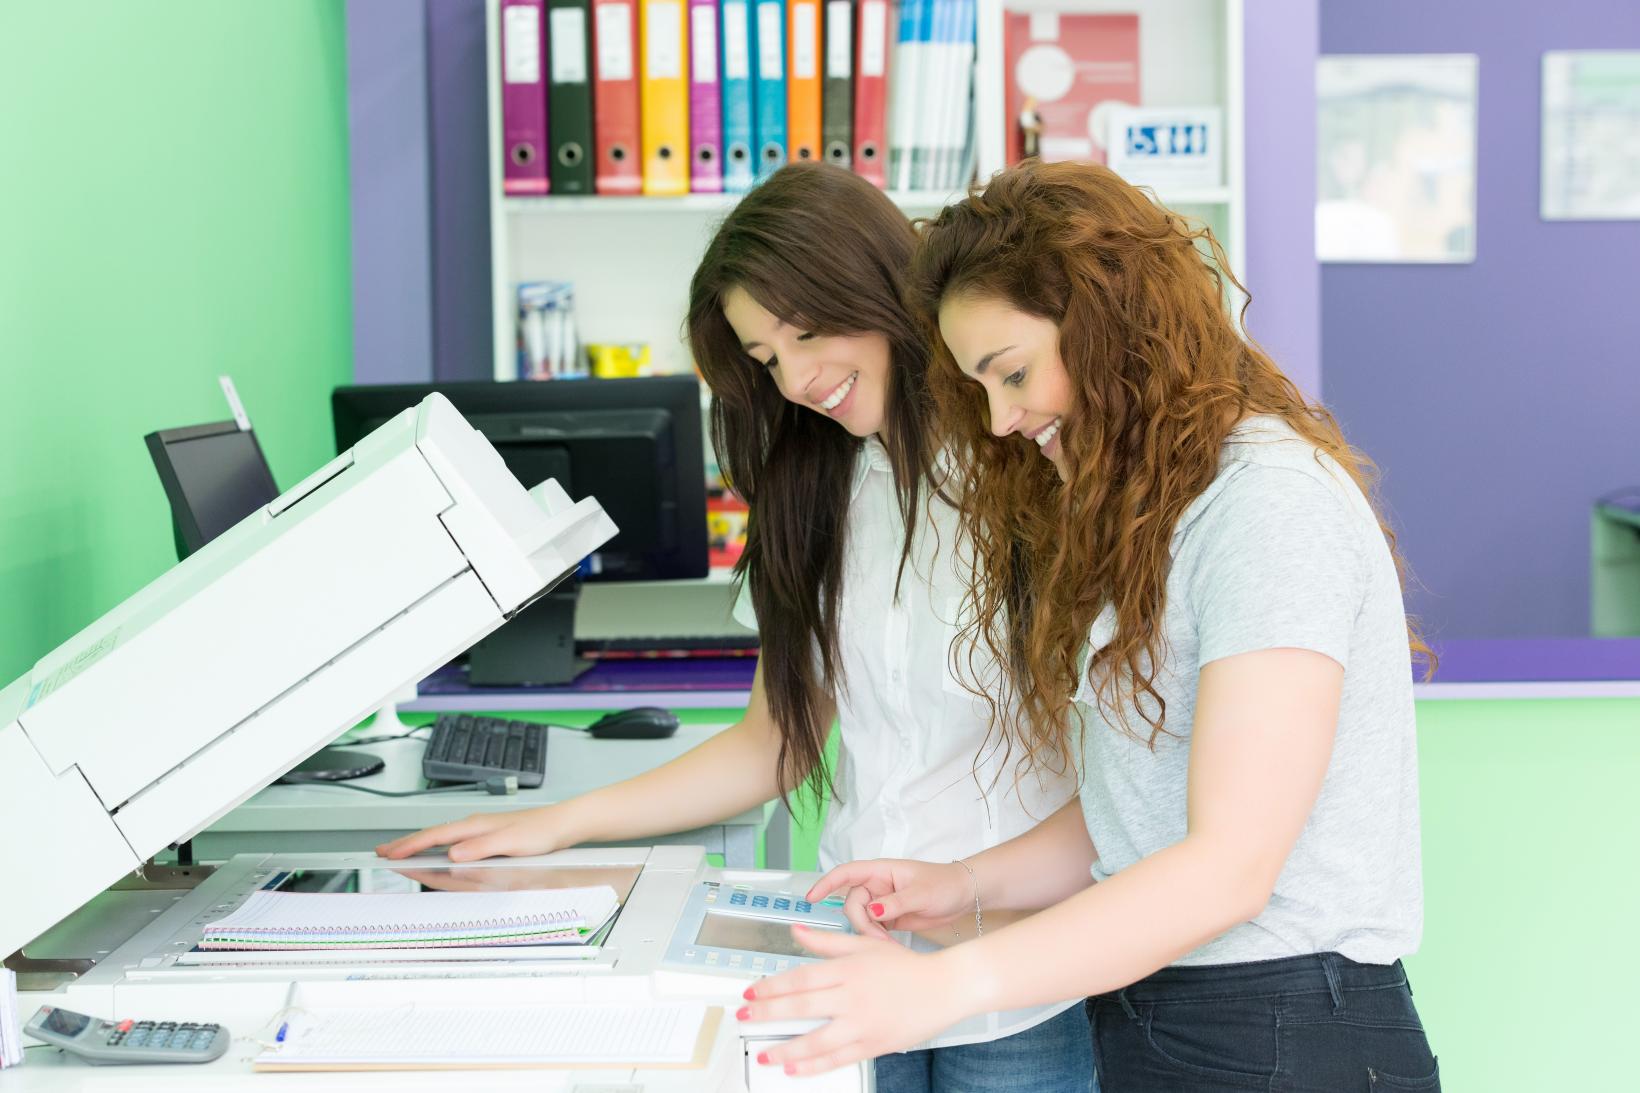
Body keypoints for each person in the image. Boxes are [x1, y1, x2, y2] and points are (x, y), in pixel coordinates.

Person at [377, 162, 1093, 1093]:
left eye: (807, 332)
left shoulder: (1030, 464)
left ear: (878, 288)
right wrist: (557, 825)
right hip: (855, 950)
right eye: (765, 359)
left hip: (1022, 974)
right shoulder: (818, 491)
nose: (797, 379)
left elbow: (1120, 771)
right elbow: (775, 743)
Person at [737, 160, 1442, 1092]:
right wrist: (965, 885)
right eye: (977, 388)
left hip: (1283, 1026)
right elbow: (1133, 813)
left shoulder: (1267, 505)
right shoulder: (1154, 512)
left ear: (1114, 324)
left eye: (1013, 373)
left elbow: (1228, 868)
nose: (998, 420)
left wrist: (940, 988)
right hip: (1160, 1011)